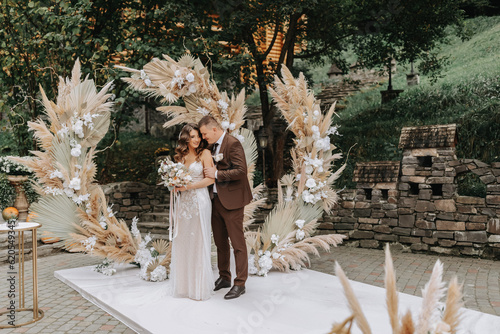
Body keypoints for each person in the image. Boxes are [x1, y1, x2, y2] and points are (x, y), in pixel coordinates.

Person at [198, 115, 253, 300]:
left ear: (214, 129)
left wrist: (217, 173)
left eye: (205, 133)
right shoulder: (210, 146)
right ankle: (224, 277)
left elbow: (241, 171)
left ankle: (240, 283)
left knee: (237, 244)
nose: (203, 137)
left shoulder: (232, 143)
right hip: (214, 200)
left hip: (232, 201)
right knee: (220, 243)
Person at [170, 123, 215, 301]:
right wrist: (174, 185)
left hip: (200, 201)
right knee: (183, 240)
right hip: (184, 203)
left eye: (198, 136)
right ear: (185, 138)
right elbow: (176, 178)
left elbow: (210, 180)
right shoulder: (180, 157)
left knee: (198, 240)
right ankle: (183, 286)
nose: (196, 140)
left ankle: (198, 287)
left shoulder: (204, 154)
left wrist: (188, 186)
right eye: (193, 136)